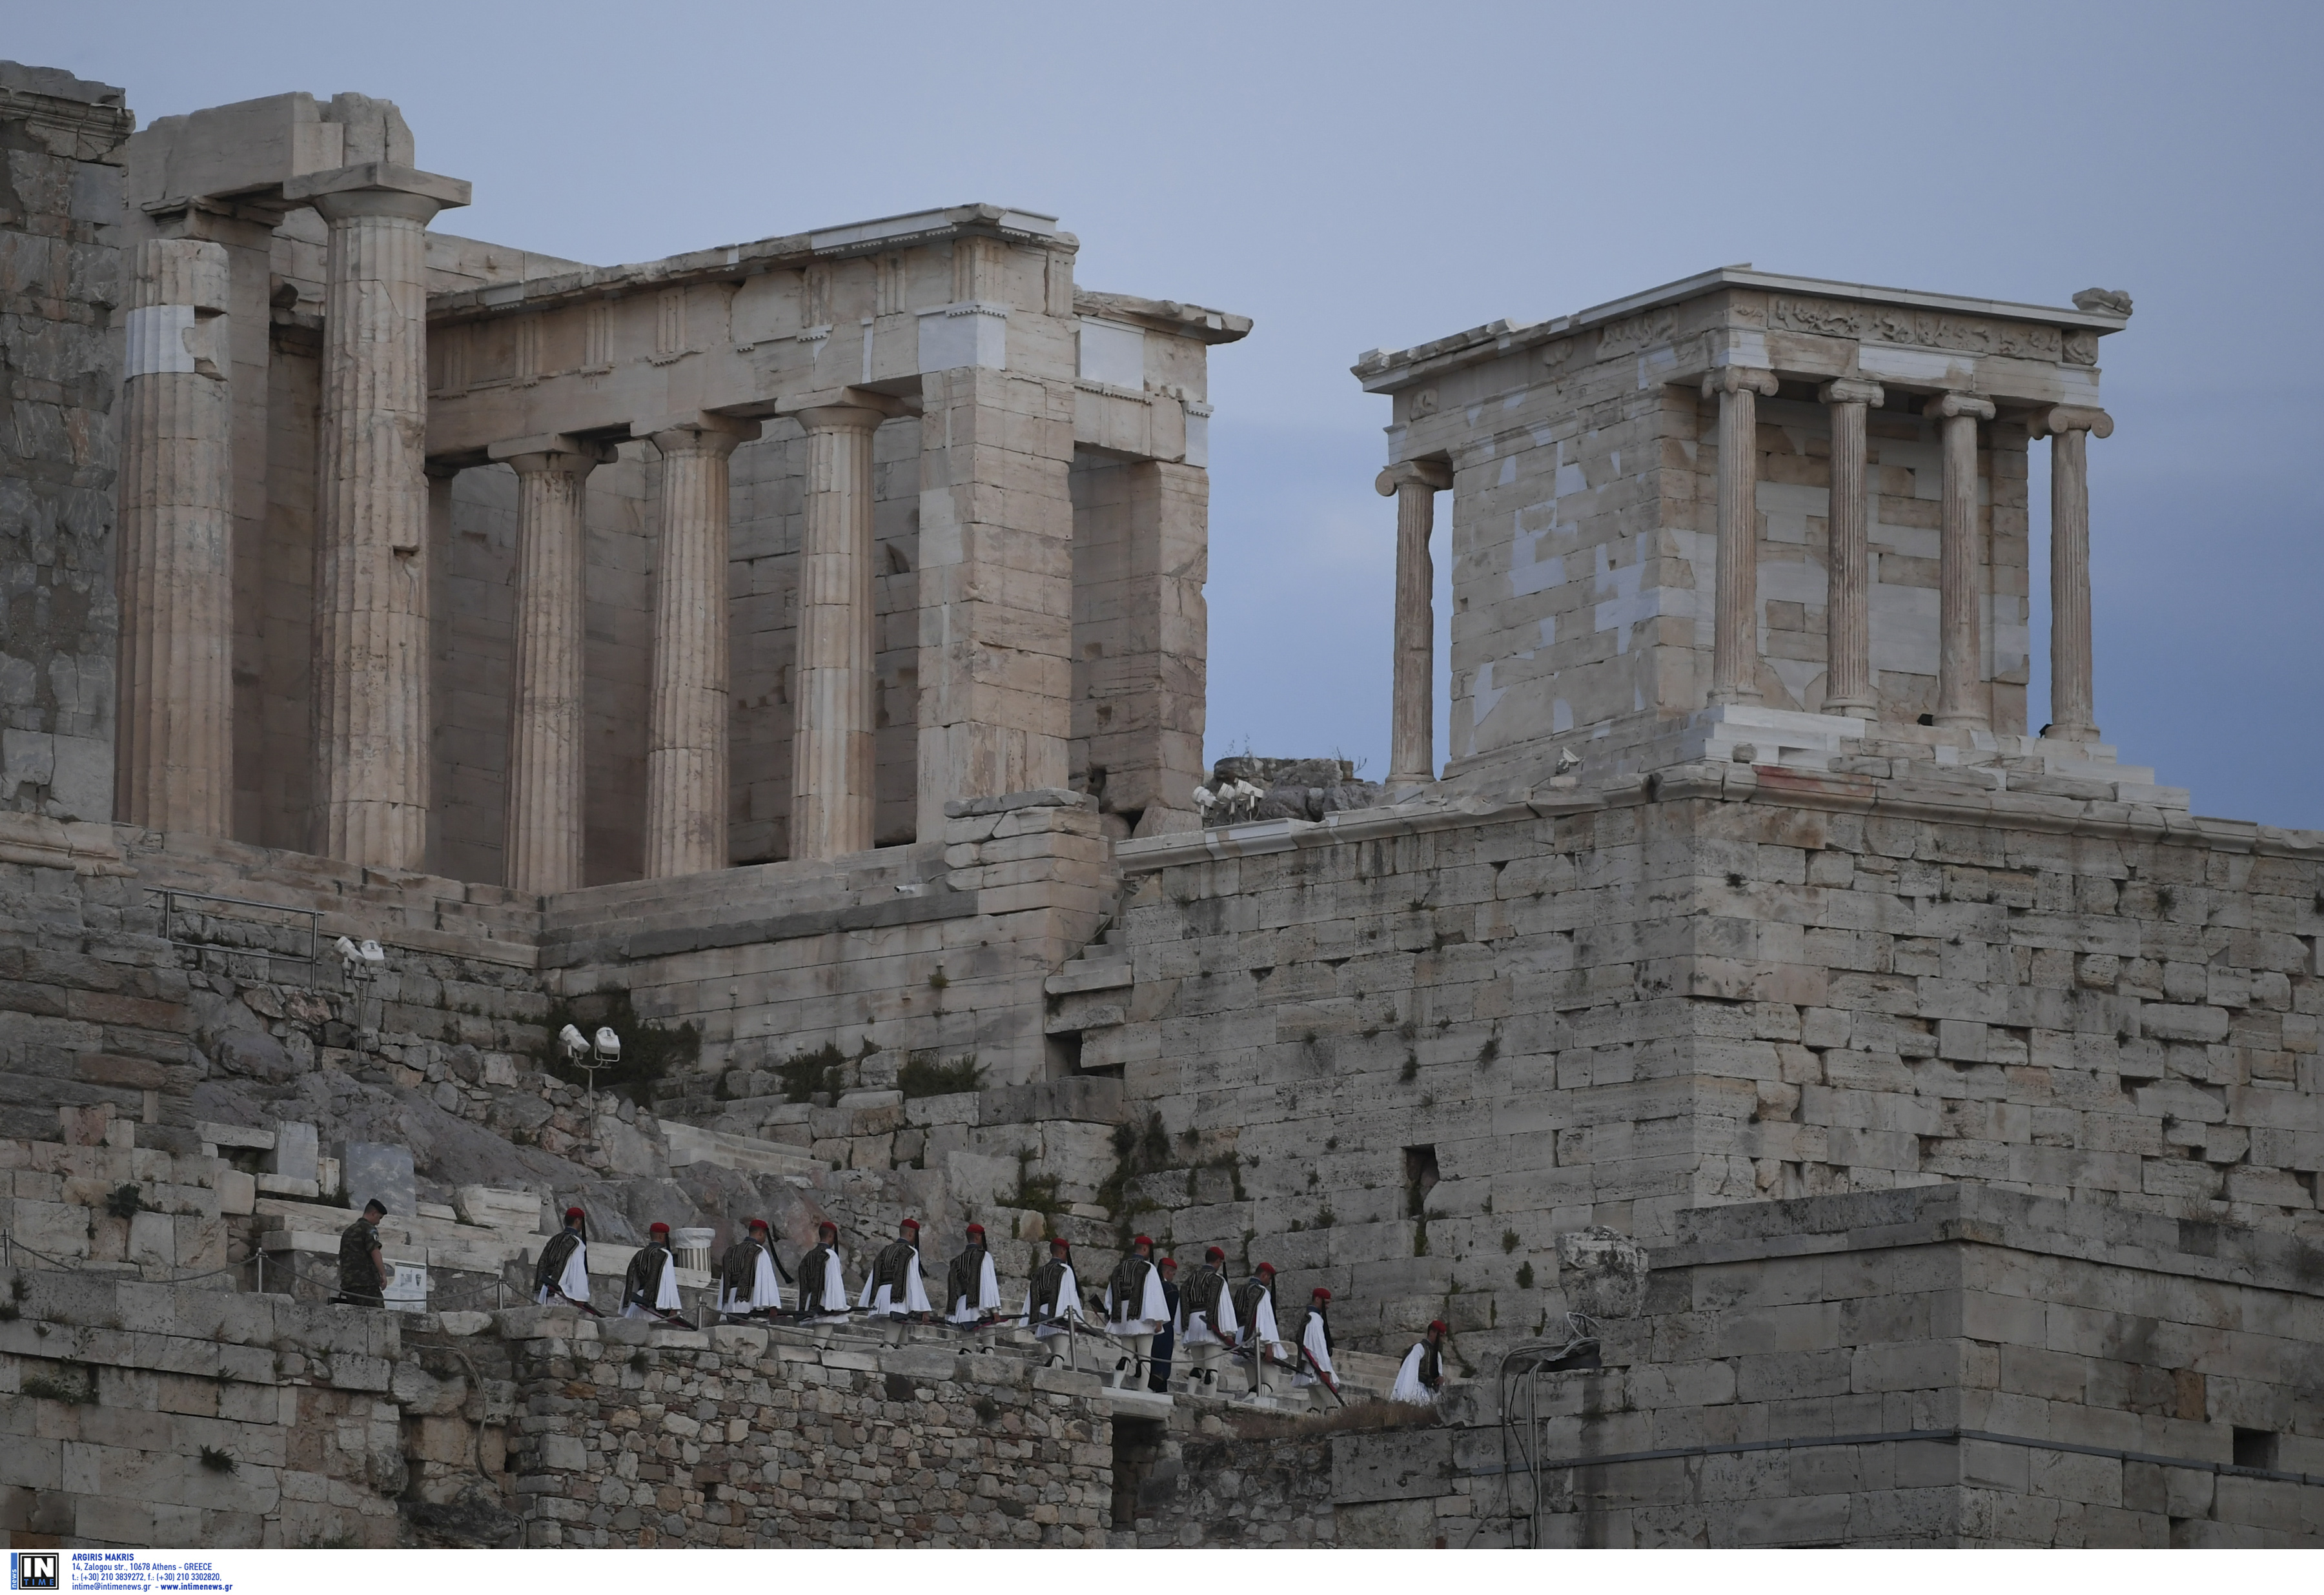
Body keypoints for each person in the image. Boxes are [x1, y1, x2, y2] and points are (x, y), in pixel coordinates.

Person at [1103, 1235, 1171, 1390]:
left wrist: (1114, 1314)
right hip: (1143, 1320)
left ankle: (1116, 1386)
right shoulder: (1148, 1268)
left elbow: (1110, 1295)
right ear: (1145, 1248)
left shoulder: (1119, 1268)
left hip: (1124, 1320)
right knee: (1145, 1356)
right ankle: (1142, 1391)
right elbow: (1154, 1295)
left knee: (1126, 1355)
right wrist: (1158, 1320)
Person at [1177, 1245, 1239, 1392]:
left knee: (1197, 1366)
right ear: (1218, 1261)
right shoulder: (1218, 1280)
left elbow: (1183, 1305)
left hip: (1193, 1323)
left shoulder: (1190, 1279)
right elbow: (1224, 1307)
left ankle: (1190, 1394)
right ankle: (1209, 1401)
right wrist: (1227, 1333)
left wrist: (1184, 1327)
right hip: (1211, 1326)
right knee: (1212, 1369)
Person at [859, 1217, 933, 1331]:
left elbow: (873, 1279)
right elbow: (914, 1281)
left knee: (901, 1340)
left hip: (882, 1297)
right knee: (890, 1341)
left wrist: (868, 1301)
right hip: (898, 1300)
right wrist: (923, 1309)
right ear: (911, 1233)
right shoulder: (911, 1252)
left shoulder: (885, 1251)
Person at [1021, 1237, 1083, 1364]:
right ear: (1062, 1251)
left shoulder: (1039, 1272)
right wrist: (1074, 1319)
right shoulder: (1065, 1270)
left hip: (1043, 1318)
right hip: (1059, 1317)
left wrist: (1032, 1320)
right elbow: (1070, 1295)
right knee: (1060, 1355)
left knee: (1056, 1354)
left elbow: (1032, 1297)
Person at [716, 1217, 788, 1321]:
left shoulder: (730, 1252)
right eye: (764, 1236)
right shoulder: (759, 1251)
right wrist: (773, 1306)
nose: (764, 1240)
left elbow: (725, 1282)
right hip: (750, 1304)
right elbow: (766, 1280)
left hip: (730, 1305)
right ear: (760, 1233)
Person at [1232, 1261, 1286, 1397]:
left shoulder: (1241, 1290)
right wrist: (1269, 1345)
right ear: (1264, 1275)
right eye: (1269, 1278)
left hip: (1241, 1338)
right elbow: (1266, 1319)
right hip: (1257, 1338)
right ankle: (1244, 1404)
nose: (1269, 1282)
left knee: (1254, 1385)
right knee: (1271, 1382)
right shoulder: (1262, 1292)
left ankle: (1248, 1411)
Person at [623, 1222, 690, 1325]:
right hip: (657, 1303)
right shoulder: (665, 1255)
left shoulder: (639, 1254)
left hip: (637, 1303)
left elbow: (632, 1280)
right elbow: (669, 1281)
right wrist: (673, 1307)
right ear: (661, 1236)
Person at [535, 1206, 595, 1312]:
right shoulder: (575, 1243)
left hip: (547, 1293)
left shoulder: (554, 1240)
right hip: (563, 1296)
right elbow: (577, 1272)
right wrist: (581, 1297)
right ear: (577, 1220)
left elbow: (542, 1264)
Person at [335, 1199, 391, 1308]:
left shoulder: (348, 1231)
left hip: (349, 1285)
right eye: (379, 1218)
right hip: (366, 1283)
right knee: (377, 1316)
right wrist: (383, 1274)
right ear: (374, 1213)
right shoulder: (369, 1229)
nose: (378, 1222)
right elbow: (375, 1251)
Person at [1290, 1286, 1340, 1407]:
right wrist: (1326, 1370)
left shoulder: (1309, 1318)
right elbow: (1319, 1347)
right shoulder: (1315, 1319)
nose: (1327, 1306)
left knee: (1317, 1407)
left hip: (1311, 1370)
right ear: (1318, 1300)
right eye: (1326, 1303)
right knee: (1334, 1406)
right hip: (1317, 1371)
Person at [945, 1222, 1003, 1326]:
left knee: (967, 1341)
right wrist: (995, 1311)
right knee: (988, 1339)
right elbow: (988, 1285)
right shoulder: (984, 1256)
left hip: (962, 1307)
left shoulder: (956, 1261)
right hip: (981, 1306)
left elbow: (954, 1289)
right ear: (978, 1237)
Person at [795, 1219, 850, 1319]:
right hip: (825, 1303)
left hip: (810, 1302)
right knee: (822, 1333)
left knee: (829, 1335)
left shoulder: (809, 1255)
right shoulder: (830, 1255)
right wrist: (837, 1306)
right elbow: (834, 1283)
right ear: (830, 1235)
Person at [1392, 1319, 1448, 1405]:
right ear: (1432, 1332)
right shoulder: (1419, 1348)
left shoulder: (1438, 1355)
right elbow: (1410, 1373)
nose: (1441, 1340)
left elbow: (1438, 1374)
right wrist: (1407, 1396)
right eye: (1440, 1336)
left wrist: (1440, 1379)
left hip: (1431, 1391)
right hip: (1417, 1388)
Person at [1147, 1255, 1181, 1395]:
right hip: (1165, 1329)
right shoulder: (1170, 1288)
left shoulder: (1149, 1285)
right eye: (1173, 1273)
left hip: (1149, 1327)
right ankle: (1150, 1389)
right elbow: (1175, 1310)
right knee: (1162, 1363)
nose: (1173, 1276)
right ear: (1168, 1272)